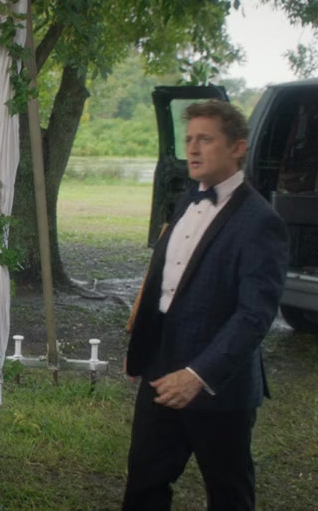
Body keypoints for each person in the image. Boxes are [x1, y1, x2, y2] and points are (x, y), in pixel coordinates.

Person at [122, 100, 288, 510]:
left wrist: (198, 375)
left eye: (206, 139)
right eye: (189, 140)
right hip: (160, 373)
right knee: (144, 485)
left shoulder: (260, 221)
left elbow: (254, 315)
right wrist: (142, 346)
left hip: (220, 386)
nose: (193, 149)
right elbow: (165, 285)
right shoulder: (186, 202)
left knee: (228, 494)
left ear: (237, 147)